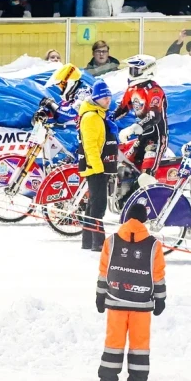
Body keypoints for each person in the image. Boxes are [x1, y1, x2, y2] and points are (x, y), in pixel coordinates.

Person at [95, 202, 166, 381]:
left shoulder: (111, 241)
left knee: (113, 343)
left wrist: (100, 294)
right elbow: (157, 274)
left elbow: (104, 271)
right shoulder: (154, 245)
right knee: (140, 345)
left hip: (116, 300)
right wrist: (161, 298)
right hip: (141, 303)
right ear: (144, 219)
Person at [112, 55, 168, 184]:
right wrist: (106, 120)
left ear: (147, 70)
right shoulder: (132, 89)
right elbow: (122, 108)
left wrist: (133, 128)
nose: (131, 73)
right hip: (141, 137)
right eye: (131, 69)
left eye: (135, 70)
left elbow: (154, 116)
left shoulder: (154, 90)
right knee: (122, 168)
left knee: (145, 178)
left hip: (156, 138)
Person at [78, 78, 119, 252]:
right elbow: (90, 146)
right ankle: (98, 243)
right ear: (95, 98)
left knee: (93, 204)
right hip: (96, 168)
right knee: (98, 206)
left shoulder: (98, 114)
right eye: (104, 98)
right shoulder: (91, 117)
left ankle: (88, 241)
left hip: (98, 167)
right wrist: (98, 168)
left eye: (109, 97)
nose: (107, 100)